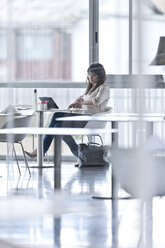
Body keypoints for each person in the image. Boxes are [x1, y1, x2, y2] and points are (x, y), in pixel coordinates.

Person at [25, 62, 110, 159]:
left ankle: (41, 150)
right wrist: (77, 104)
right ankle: (79, 155)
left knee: (58, 118)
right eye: (89, 74)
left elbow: (97, 101)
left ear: (100, 76)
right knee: (58, 126)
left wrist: (82, 101)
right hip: (85, 118)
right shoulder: (90, 89)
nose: (90, 77)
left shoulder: (104, 88)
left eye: (93, 75)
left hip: (92, 120)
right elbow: (86, 106)